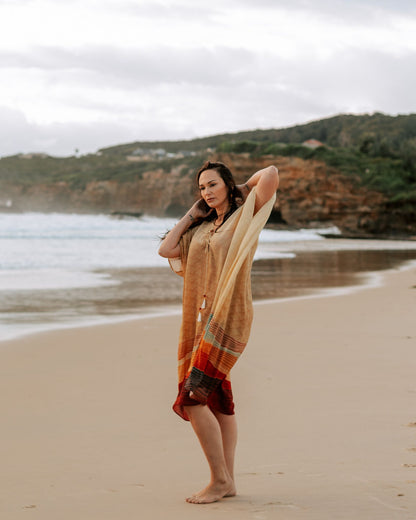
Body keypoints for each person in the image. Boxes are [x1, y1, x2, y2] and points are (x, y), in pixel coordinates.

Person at [158, 160, 279, 504]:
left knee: (193, 399)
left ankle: (219, 480)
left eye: (212, 185)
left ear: (226, 184)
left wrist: (238, 190)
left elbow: (269, 174)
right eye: (201, 188)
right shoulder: (201, 229)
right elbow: (166, 250)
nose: (207, 192)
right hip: (201, 322)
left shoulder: (244, 217)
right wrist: (191, 214)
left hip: (227, 316)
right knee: (218, 401)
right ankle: (230, 481)